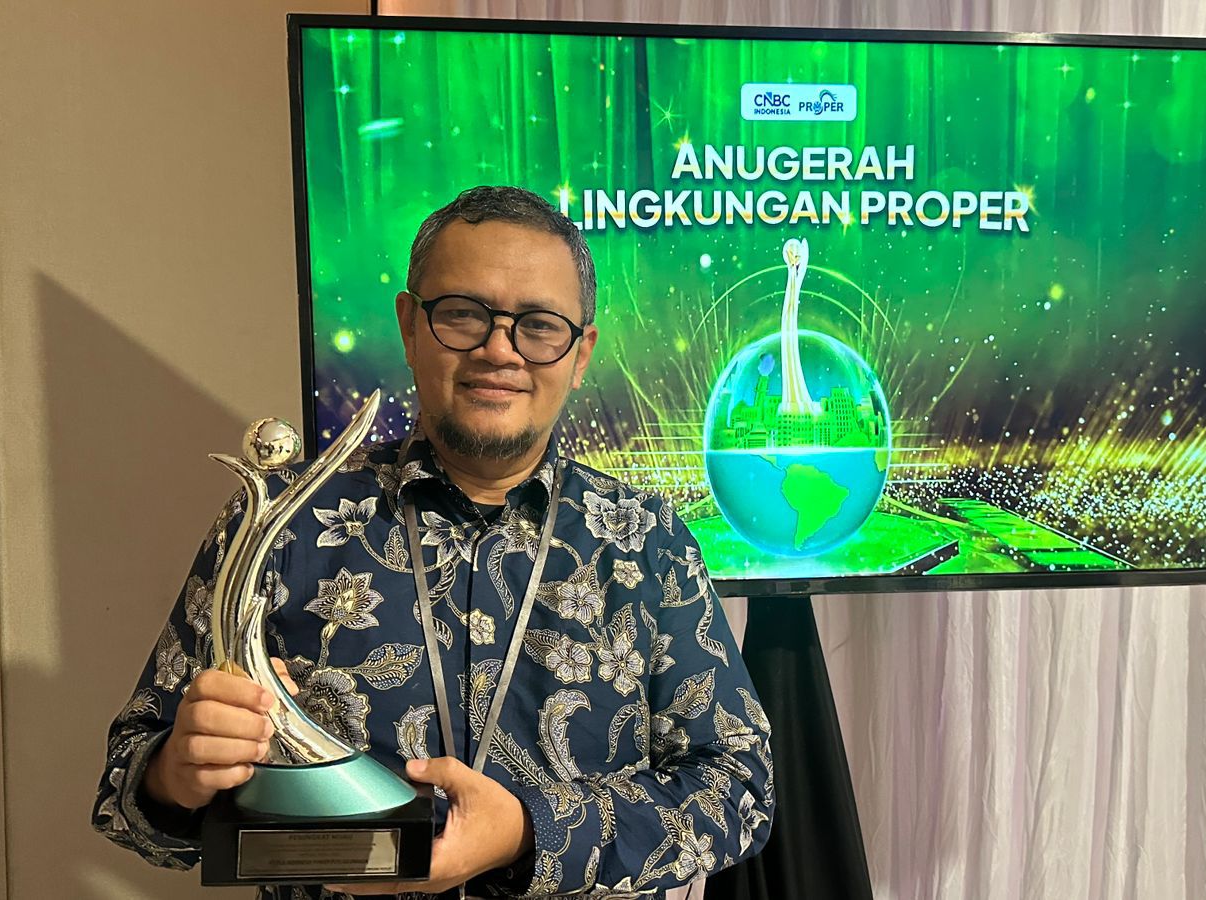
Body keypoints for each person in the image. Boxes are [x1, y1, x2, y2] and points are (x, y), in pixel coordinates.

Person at [92, 186, 775, 898]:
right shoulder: (278, 522)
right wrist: (176, 774)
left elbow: (739, 790)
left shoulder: (649, 540)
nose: (499, 349)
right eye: (463, 314)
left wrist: (529, 834)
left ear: (581, 354)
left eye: (540, 325)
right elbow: (125, 797)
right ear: (410, 326)